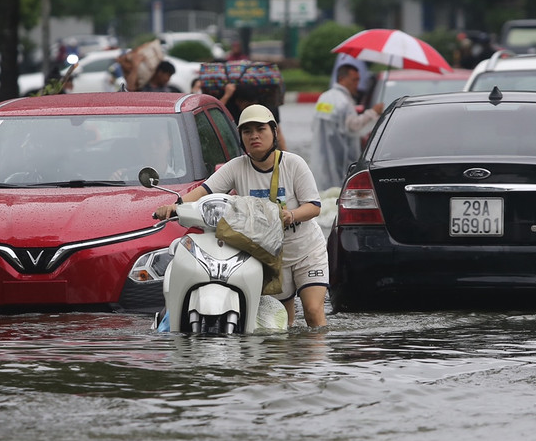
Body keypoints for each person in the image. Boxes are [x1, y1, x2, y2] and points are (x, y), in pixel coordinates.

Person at [153, 104, 328, 328]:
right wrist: (174, 205)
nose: (254, 136)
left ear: (274, 132)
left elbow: (314, 207)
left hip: (306, 251)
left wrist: (290, 215)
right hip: (270, 256)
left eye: (260, 129)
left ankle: (316, 362)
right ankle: (288, 364)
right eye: (247, 131)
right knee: (282, 324)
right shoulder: (236, 167)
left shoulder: (294, 164)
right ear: (241, 138)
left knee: (313, 312)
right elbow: (204, 191)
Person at [311, 63, 377, 192]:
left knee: (325, 190)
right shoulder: (344, 102)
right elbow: (354, 126)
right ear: (342, 78)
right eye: (354, 80)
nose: (357, 84)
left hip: (322, 154)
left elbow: (314, 125)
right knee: (340, 190)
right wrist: (372, 112)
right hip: (341, 156)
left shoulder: (324, 97)